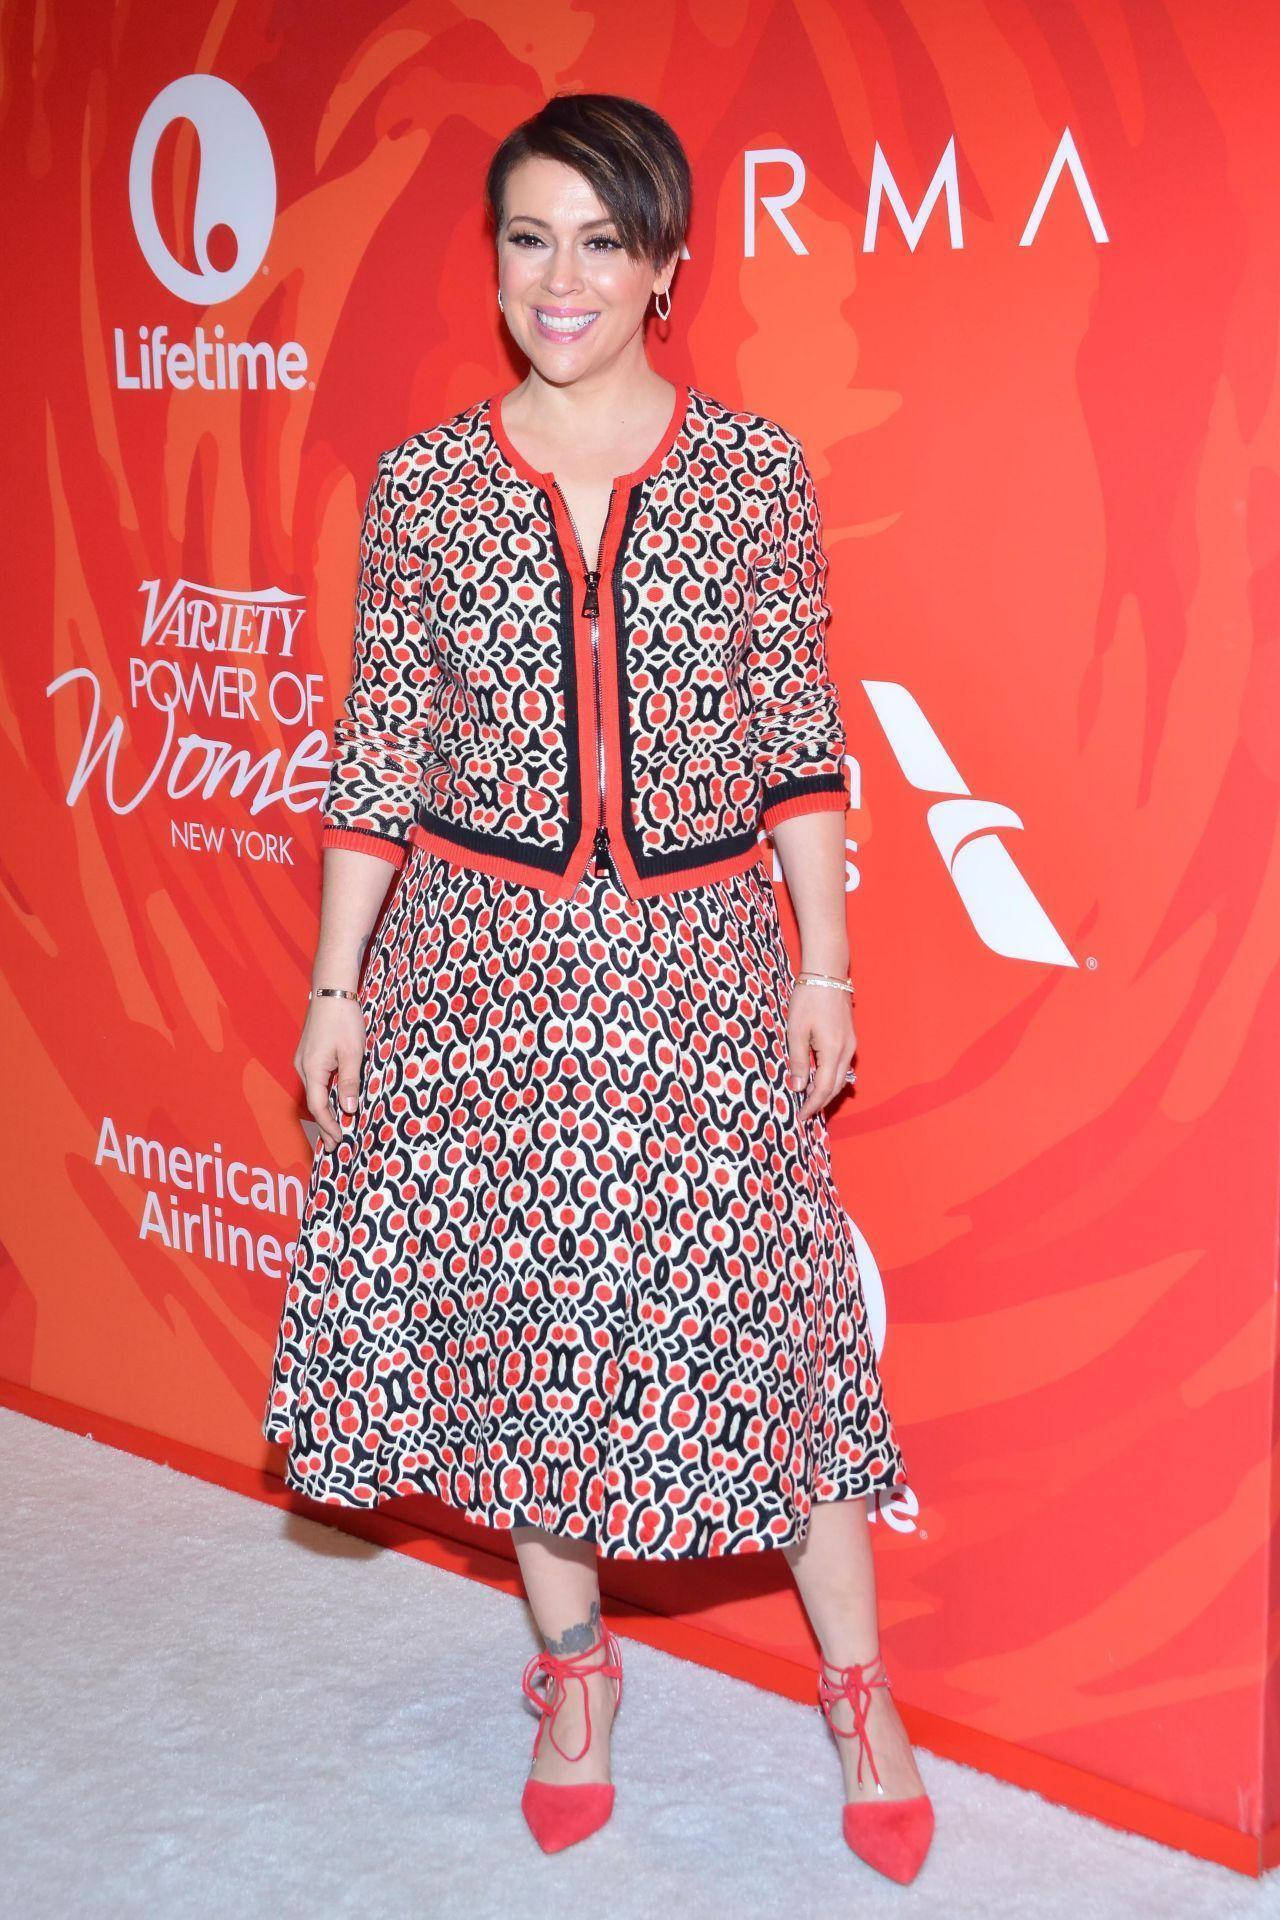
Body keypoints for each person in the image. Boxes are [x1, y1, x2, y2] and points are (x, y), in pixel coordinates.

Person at [261, 90, 933, 1883]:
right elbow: (380, 756)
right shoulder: (423, 486)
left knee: (768, 1339)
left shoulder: (751, 472)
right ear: (495, 258)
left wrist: (827, 960)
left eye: (602, 240)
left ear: (666, 266)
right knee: (534, 1354)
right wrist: (338, 988)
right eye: (529, 237)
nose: (562, 277)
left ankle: (859, 1690)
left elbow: (799, 744)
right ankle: (573, 1675)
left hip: (697, 967)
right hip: (478, 973)